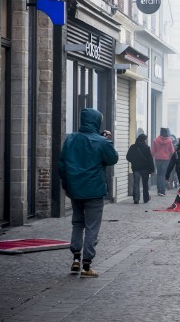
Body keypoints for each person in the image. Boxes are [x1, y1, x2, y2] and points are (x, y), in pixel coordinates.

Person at [58, 108, 119, 277]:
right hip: (94, 190)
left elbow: (61, 164)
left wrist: (65, 185)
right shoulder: (102, 142)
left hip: (75, 190)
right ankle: (87, 265)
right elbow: (112, 158)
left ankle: (76, 259)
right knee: (92, 227)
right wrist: (106, 140)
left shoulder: (70, 139)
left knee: (77, 224)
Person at [126, 134, 154, 204]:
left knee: (136, 183)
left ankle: (136, 199)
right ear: (144, 140)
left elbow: (128, 157)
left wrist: (133, 161)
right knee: (145, 184)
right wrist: (152, 169)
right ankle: (146, 199)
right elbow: (150, 159)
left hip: (136, 168)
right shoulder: (146, 148)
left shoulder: (132, 147)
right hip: (145, 169)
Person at [151, 127, 175, 196]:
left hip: (158, 160)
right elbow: (172, 152)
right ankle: (163, 190)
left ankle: (159, 190)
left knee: (159, 174)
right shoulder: (169, 141)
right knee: (163, 175)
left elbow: (152, 152)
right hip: (166, 160)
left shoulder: (156, 141)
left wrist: (151, 160)